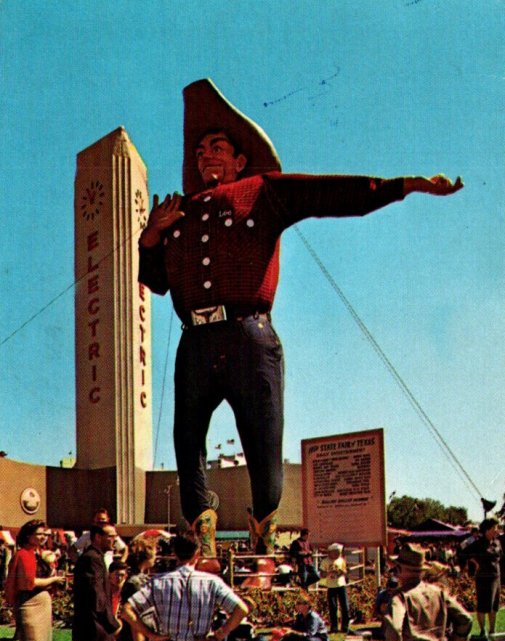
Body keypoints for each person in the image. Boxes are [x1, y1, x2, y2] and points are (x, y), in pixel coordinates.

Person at [138, 77, 463, 558]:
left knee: (263, 441)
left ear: (240, 159)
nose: (206, 155)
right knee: (187, 442)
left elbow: (333, 195)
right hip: (195, 340)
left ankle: (264, 548)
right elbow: (158, 282)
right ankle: (199, 548)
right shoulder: (177, 215)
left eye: (218, 146)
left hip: (250, 334)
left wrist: (405, 187)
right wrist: (151, 235)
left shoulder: (261, 190)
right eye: (200, 148)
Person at [5, 520, 65, 641]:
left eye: (45, 534)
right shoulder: (23, 555)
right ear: (29, 535)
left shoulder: (35, 554)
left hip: (40, 606)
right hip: (30, 606)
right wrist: (53, 579)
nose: (43, 537)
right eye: (39, 533)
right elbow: (27, 583)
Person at [463, 516, 502, 641]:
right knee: (484, 605)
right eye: (495, 528)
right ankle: (482, 631)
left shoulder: (496, 542)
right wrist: (476, 563)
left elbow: (500, 556)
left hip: (496, 577)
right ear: (487, 529)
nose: (497, 530)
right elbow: (465, 553)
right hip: (484, 578)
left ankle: (492, 631)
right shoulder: (479, 543)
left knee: (494, 605)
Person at [320, 542, 349, 633]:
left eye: (339, 552)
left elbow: (345, 572)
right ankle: (334, 627)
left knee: (345, 607)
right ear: (331, 552)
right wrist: (329, 573)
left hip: (341, 585)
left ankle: (345, 626)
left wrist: (342, 572)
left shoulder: (341, 560)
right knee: (333, 607)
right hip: (331, 586)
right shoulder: (325, 561)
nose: (338, 554)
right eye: (336, 552)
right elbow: (322, 574)